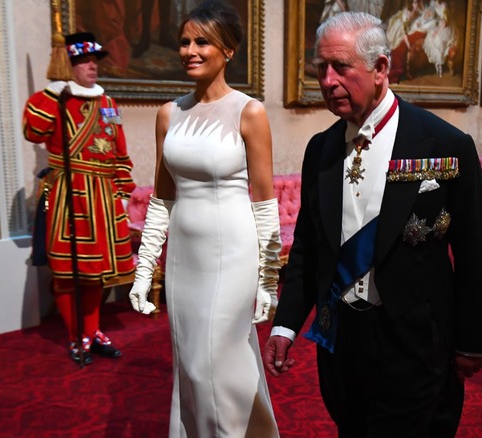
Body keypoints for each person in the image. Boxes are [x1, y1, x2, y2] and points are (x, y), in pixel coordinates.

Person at [263, 12, 482, 436]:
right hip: (342, 342)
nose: (328, 80)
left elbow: (475, 250)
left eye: (341, 67)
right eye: (320, 68)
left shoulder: (444, 145)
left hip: (415, 341)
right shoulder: (321, 149)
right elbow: (309, 248)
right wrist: (286, 322)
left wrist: (473, 340)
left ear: (381, 68)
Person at [127, 2, 281, 436]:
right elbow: (162, 198)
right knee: (193, 364)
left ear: (228, 50)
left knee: (212, 361)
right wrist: (144, 271)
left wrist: (268, 278)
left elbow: (264, 201)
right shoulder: (168, 114)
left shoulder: (249, 112)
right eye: (184, 41)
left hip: (232, 255)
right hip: (184, 260)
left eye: (202, 42)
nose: (189, 50)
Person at [23, 32, 134, 365]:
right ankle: (76, 335)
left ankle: (92, 331)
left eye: (94, 61)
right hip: (69, 195)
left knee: (95, 273)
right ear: (66, 64)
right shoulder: (53, 101)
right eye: (84, 61)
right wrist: (50, 93)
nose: (92, 66)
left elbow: (119, 152)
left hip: (103, 197)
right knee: (68, 272)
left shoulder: (108, 104)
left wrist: (123, 192)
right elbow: (33, 132)